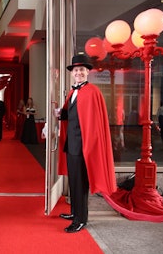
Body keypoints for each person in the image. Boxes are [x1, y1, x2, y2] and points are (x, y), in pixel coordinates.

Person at [56, 54, 116, 233]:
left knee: (81, 184)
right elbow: (71, 115)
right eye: (75, 70)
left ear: (88, 72)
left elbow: (94, 124)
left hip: (84, 147)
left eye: (82, 70)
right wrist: (60, 114)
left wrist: (89, 146)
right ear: (72, 73)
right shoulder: (72, 92)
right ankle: (75, 212)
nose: (78, 73)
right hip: (71, 145)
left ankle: (81, 220)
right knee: (73, 182)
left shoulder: (93, 92)